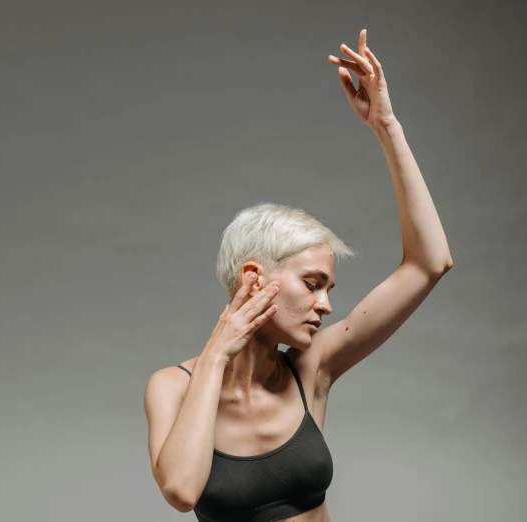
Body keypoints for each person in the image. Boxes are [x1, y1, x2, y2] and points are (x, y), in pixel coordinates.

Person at [143, 29, 453, 522]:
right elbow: (181, 490)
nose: (326, 306)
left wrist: (386, 126)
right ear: (252, 278)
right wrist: (217, 354)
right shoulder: (171, 387)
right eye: (312, 284)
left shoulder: (312, 369)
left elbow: (429, 263)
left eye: (329, 289)